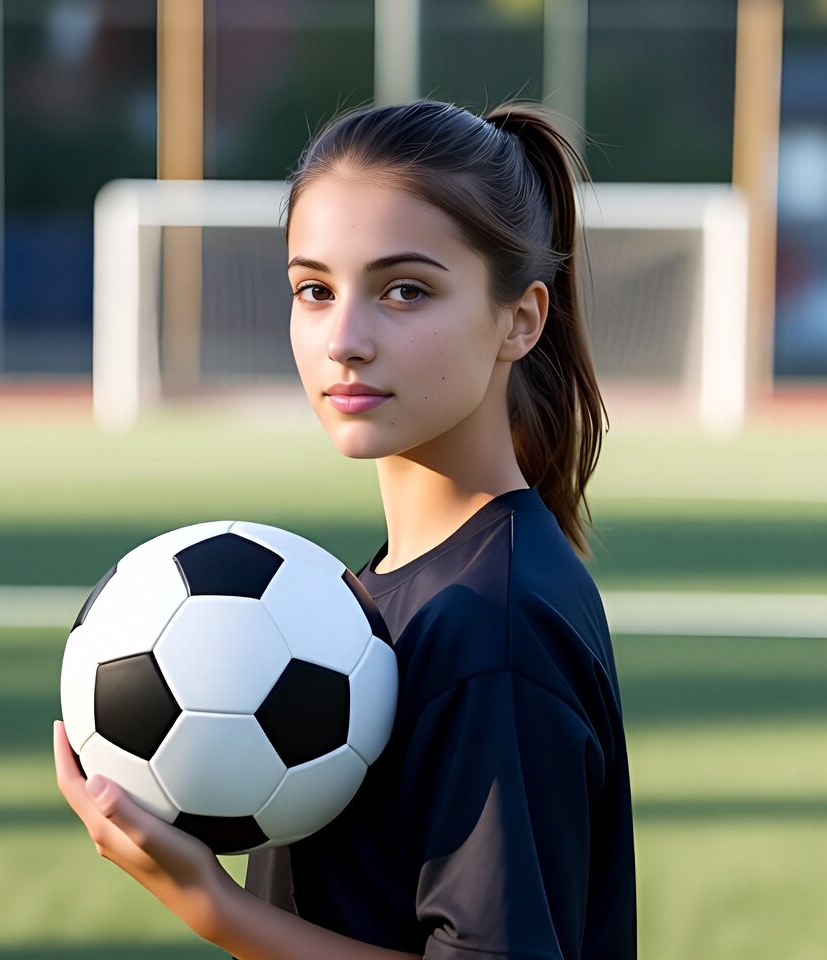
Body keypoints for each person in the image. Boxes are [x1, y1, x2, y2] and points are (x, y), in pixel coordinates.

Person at [54, 99, 636, 960]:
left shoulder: (491, 625)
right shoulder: (379, 592)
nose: (345, 340)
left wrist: (211, 904)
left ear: (522, 319)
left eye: (406, 290)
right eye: (315, 291)